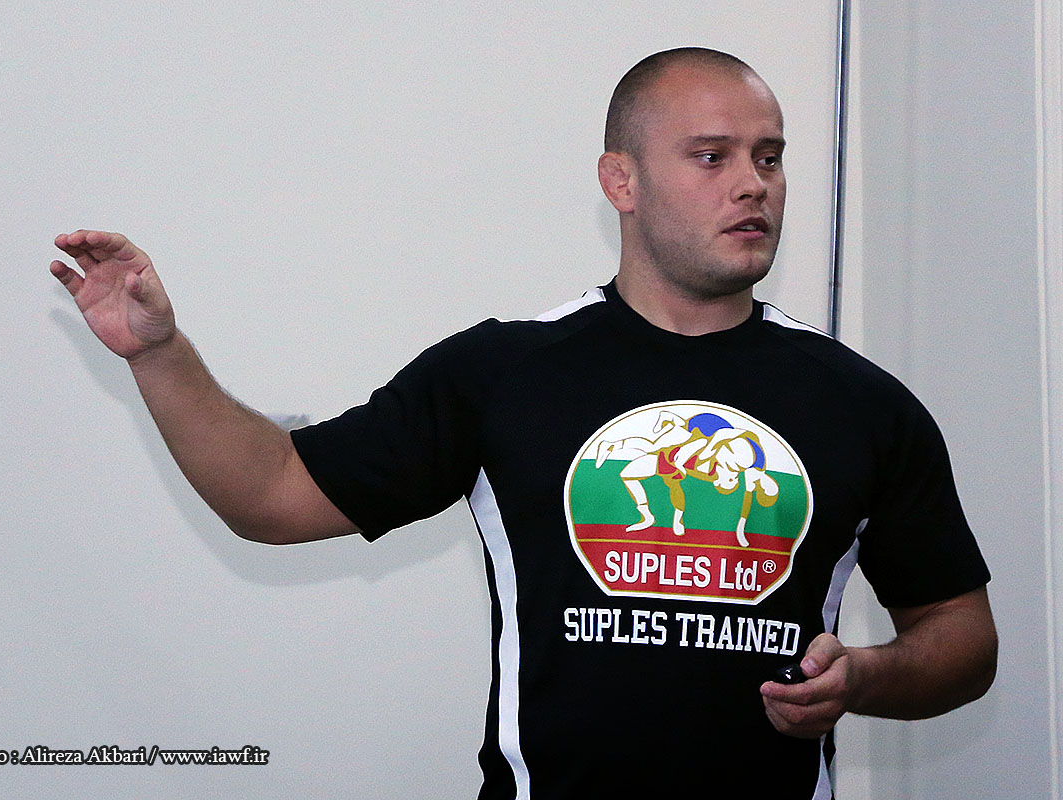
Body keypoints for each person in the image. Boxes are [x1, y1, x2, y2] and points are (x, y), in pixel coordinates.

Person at [50, 47, 997, 798]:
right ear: (621, 181)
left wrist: (864, 677)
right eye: (712, 157)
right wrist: (158, 353)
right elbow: (271, 493)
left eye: (770, 157)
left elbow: (960, 635)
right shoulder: (505, 373)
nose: (753, 183)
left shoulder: (862, 403)